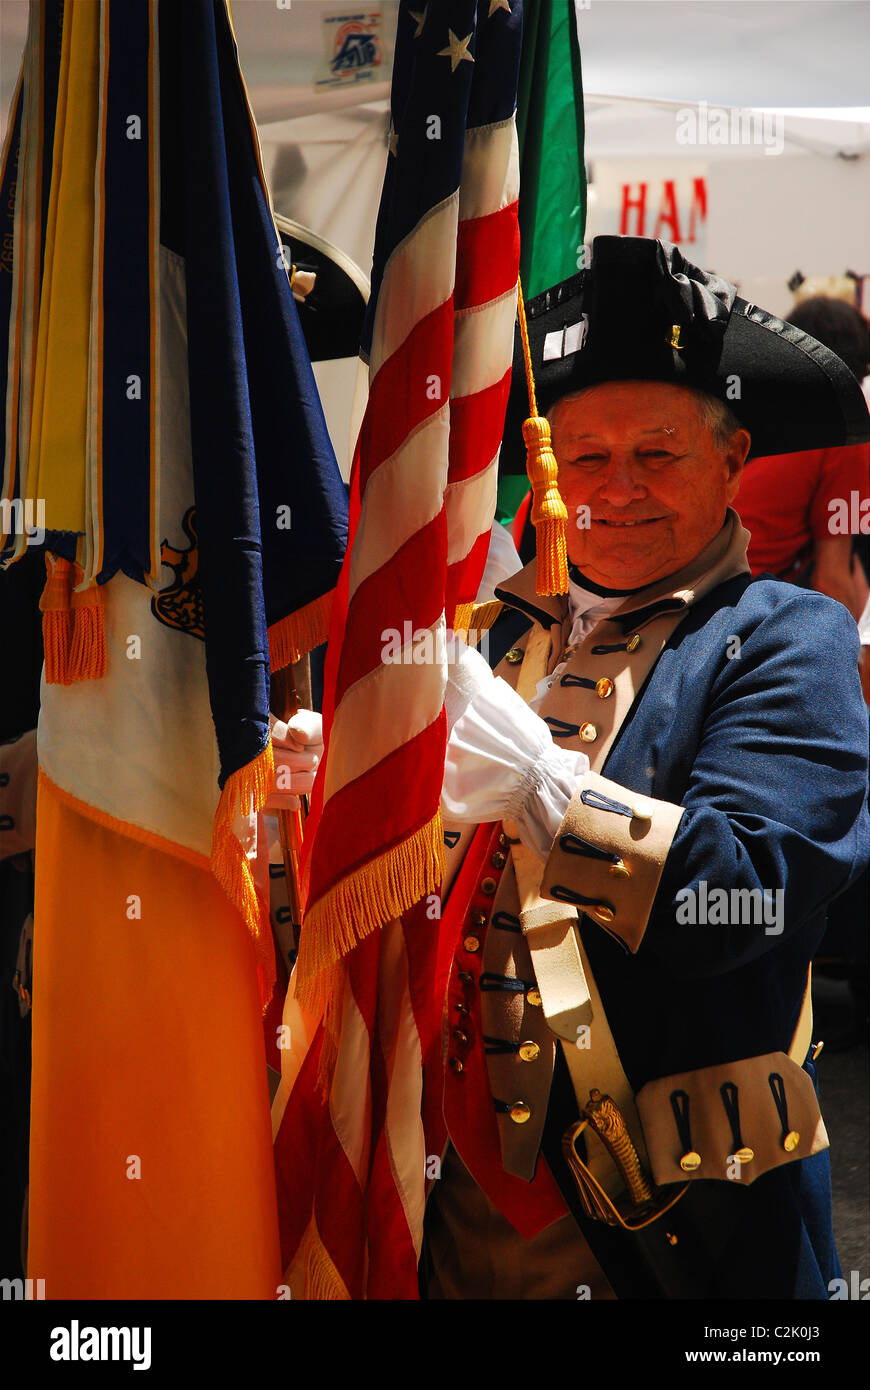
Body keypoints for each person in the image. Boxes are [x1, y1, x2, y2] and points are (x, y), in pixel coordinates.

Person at [419, 235, 870, 1300]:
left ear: (731, 458)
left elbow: (742, 892)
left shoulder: (785, 638)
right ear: (547, 470)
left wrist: (545, 784)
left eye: (657, 454)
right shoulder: (497, 637)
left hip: (664, 1230)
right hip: (449, 1208)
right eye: (586, 457)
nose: (617, 489)